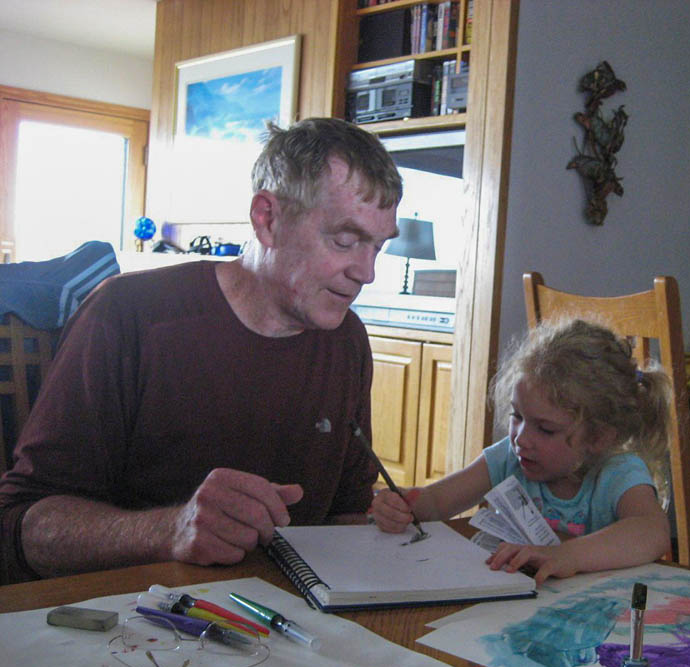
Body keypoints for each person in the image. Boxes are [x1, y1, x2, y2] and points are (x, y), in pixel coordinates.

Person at [0, 117, 403, 584]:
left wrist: (381, 523)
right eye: (345, 240)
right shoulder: (129, 314)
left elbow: (345, 513)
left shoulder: (347, 339)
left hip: (287, 628)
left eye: (377, 246)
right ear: (267, 219)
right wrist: (169, 530)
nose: (367, 273)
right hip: (134, 628)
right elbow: (18, 528)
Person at [370, 317, 673, 583]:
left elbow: (652, 531)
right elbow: (437, 502)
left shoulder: (618, 471)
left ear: (599, 436)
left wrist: (566, 555)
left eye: (545, 429)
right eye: (518, 416)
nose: (521, 439)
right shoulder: (511, 458)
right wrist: (401, 505)